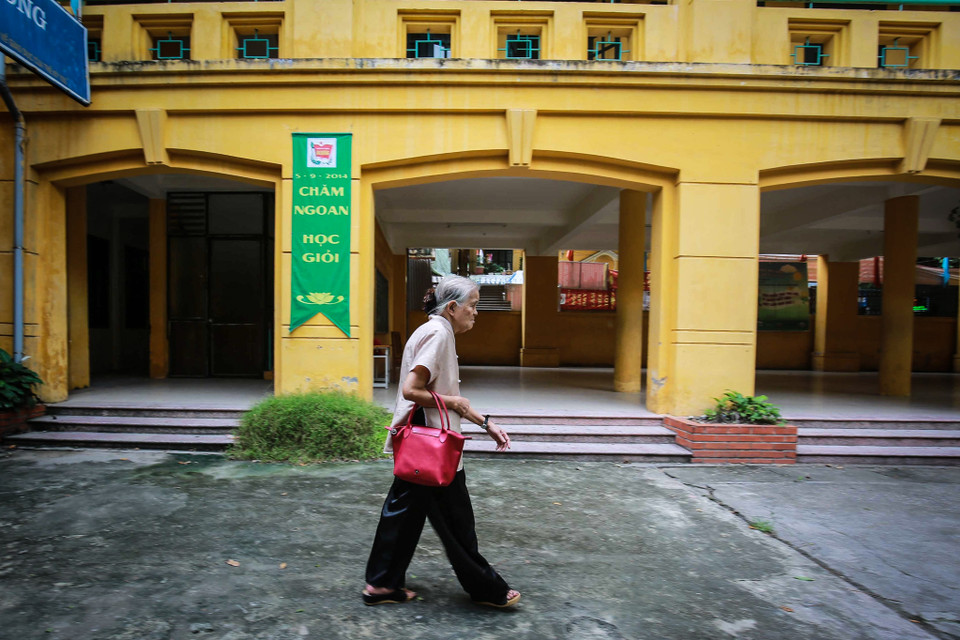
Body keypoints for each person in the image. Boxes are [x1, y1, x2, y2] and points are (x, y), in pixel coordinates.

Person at [363, 275, 521, 608]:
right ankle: (486, 589)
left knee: (405, 514)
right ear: (452, 307)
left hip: (427, 437)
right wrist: (458, 405)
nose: (475, 313)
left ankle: (382, 584)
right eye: (473, 306)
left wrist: (484, 422)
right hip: (431, 441)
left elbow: (440, 393)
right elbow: (412, 390)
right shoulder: (438, 333)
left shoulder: (435, 330)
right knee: (454, 519)